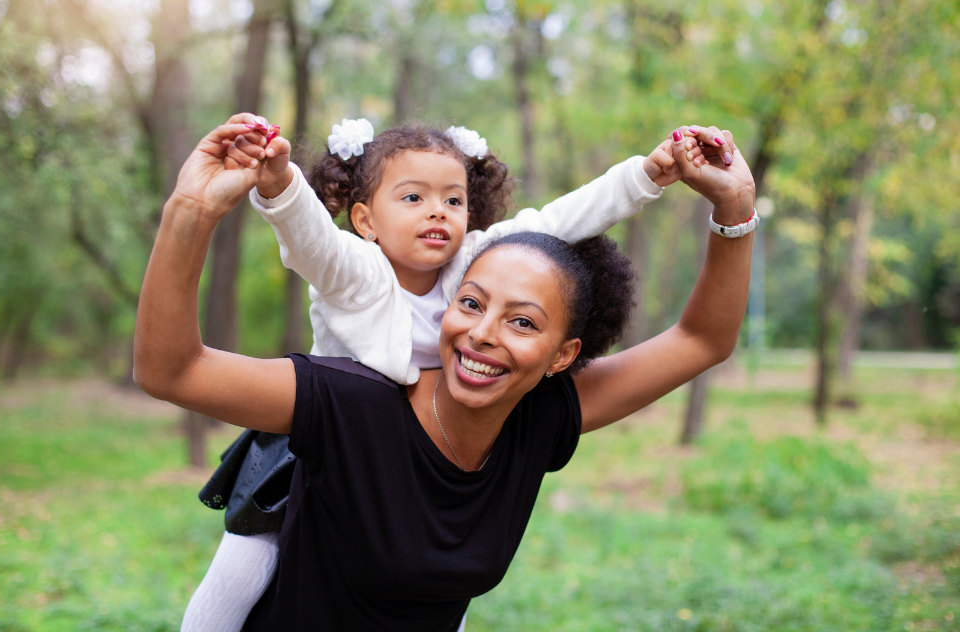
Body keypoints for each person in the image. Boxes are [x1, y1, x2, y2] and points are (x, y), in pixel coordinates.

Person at [134, 116, 756, 630]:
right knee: (238, 570)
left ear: (563, 356)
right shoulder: (350, 398)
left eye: (523, 322)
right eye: (472, 304)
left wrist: (726, 202)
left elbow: (699, 336)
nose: (483, 332)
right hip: (302, 455)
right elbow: (177, 367)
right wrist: (208, 204)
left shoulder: (532, 417)